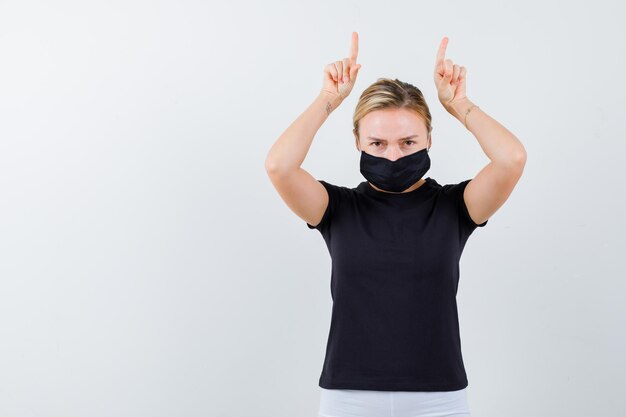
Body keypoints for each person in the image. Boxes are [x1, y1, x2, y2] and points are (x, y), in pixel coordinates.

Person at [265, 32, 526, 417]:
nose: (392, 155)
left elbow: (511, 159)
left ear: (429, 140)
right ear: (357, 142)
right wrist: (328, 100)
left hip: (440, 399)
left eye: (407, 142)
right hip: (348, 397)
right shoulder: (336, 208)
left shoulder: (455, 207)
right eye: (377, 143)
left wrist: (461, 104)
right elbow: (279, 166)